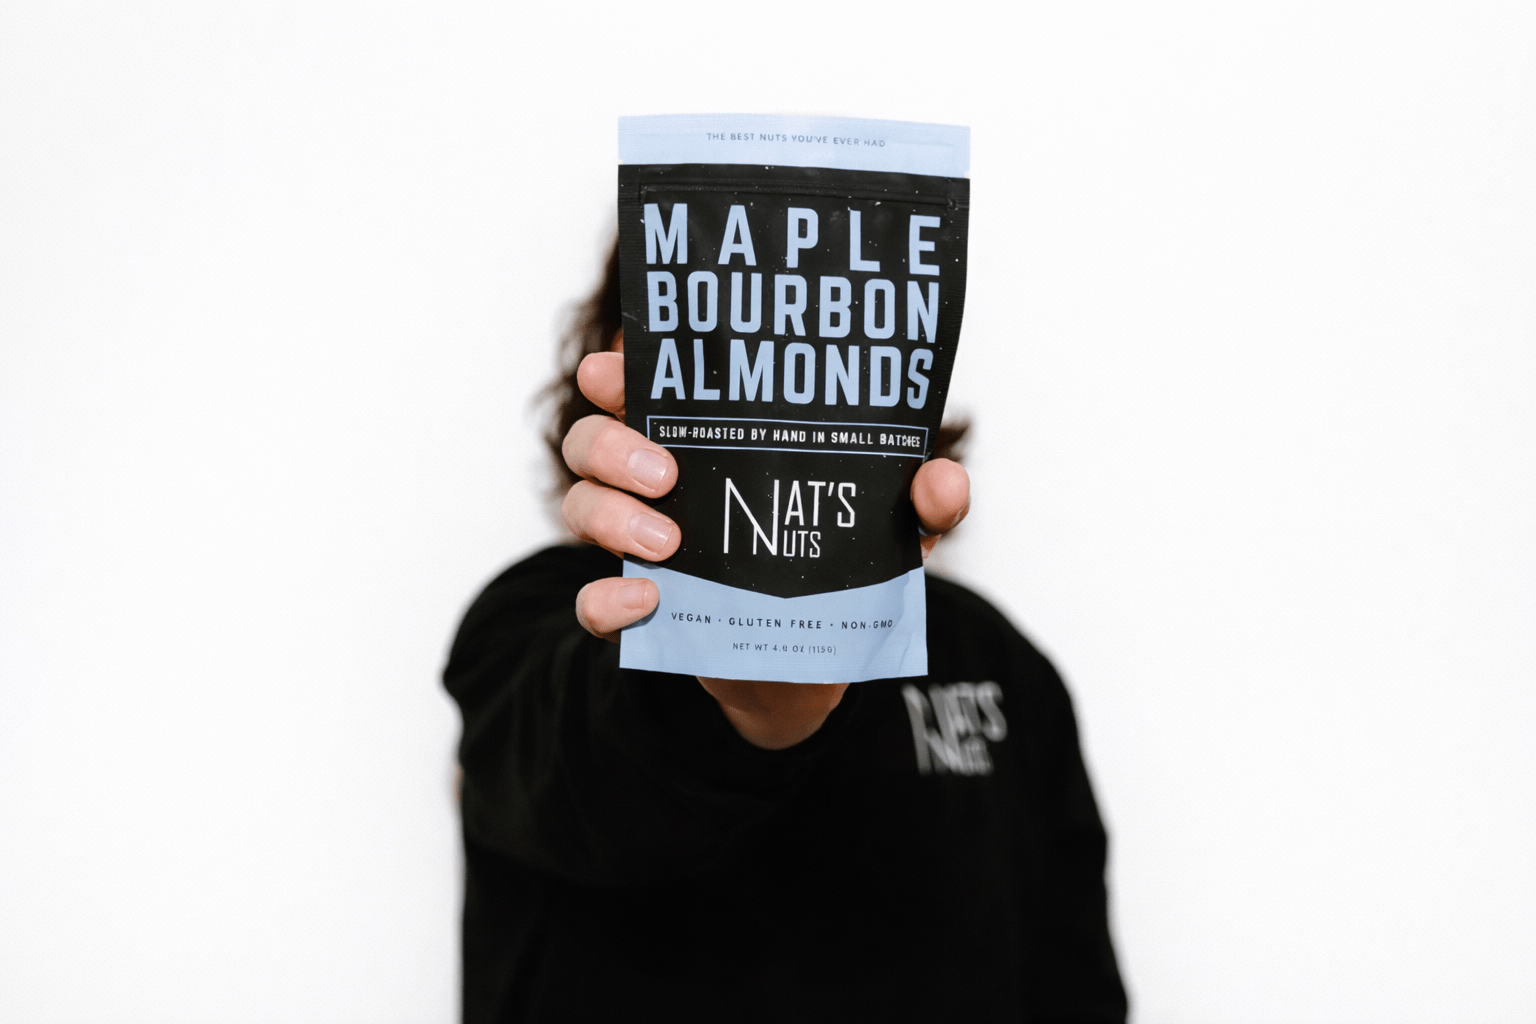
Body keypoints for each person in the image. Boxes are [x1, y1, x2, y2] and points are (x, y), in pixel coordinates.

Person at [443, 241, 1128, 1023]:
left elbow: (1075, 987)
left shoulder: (994, 659)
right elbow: (584, 773)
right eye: (714, 324)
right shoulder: (536, 618)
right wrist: (727, 673)